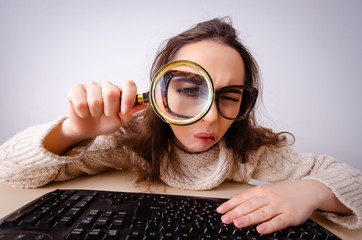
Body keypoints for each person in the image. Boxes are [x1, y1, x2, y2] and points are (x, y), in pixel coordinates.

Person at [0, 17, 361, 235]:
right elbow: (9, 172)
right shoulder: (127, 143)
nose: (211, 117)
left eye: (230, 95)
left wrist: (312, 191)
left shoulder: (248, 153)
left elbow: (354, 182)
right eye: (190, 90)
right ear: (159, 93)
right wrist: (75, 131)